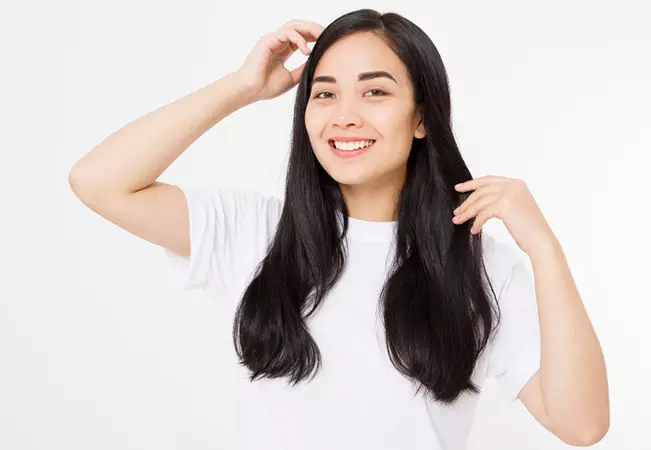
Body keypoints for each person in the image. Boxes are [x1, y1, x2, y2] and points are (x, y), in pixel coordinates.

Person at [69, 8, 609, 449]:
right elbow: (98, 181)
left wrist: (544, 249)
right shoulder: (258, 233)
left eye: (374, 92)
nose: (343, 116)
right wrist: (242, 87)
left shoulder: (482, 267)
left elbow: (581, 425)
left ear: (422, 117)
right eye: (324, 93)